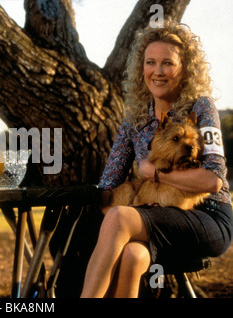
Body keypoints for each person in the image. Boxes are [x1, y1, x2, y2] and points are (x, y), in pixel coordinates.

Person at [80, 21, 233, 298]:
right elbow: (108, 183)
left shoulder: (201, 107)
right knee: (131, 254)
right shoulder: (135, 122)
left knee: (118, 219)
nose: (158, 71)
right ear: (142, 69)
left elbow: (212, 180)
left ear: (185, 68)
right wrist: (105, 205)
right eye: (151, 62)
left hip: (207, 218)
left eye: (168, 63)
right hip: (152, 217)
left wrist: (156, 174)